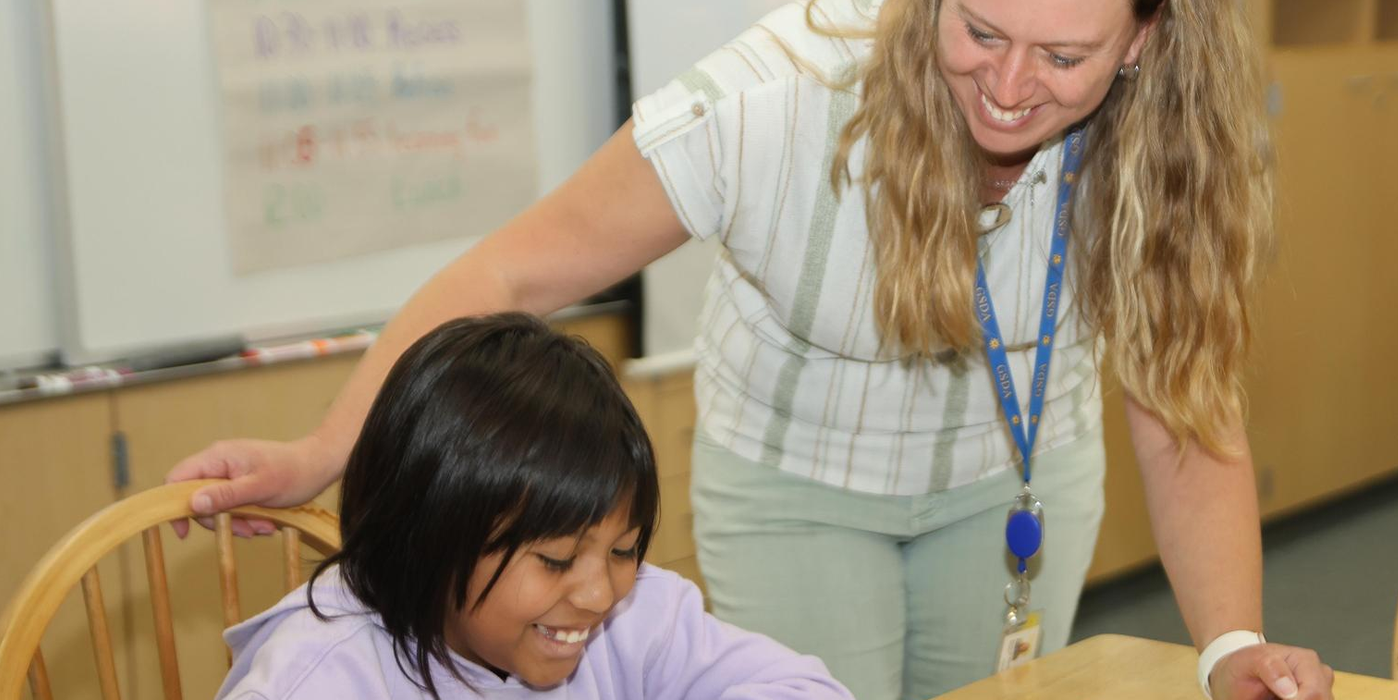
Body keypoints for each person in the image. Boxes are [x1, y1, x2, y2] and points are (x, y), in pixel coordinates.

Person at [173, 1, 1337, 698]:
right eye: (979, 30)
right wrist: (325, 451)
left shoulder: (1166, 140)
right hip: (797, 488)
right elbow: (509, 275)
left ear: (1143, 39)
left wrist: (1226, 644)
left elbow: (1183, 400)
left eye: (1064, 57)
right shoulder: (777, 96)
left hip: (1015, 487)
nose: (1010, 85)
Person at [216, 314, 852, 699]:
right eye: (555, 560)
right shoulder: (321, 674)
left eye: (625, 549)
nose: (599, 592)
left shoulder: (631, 620)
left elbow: (804, 688)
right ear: (432, 539)